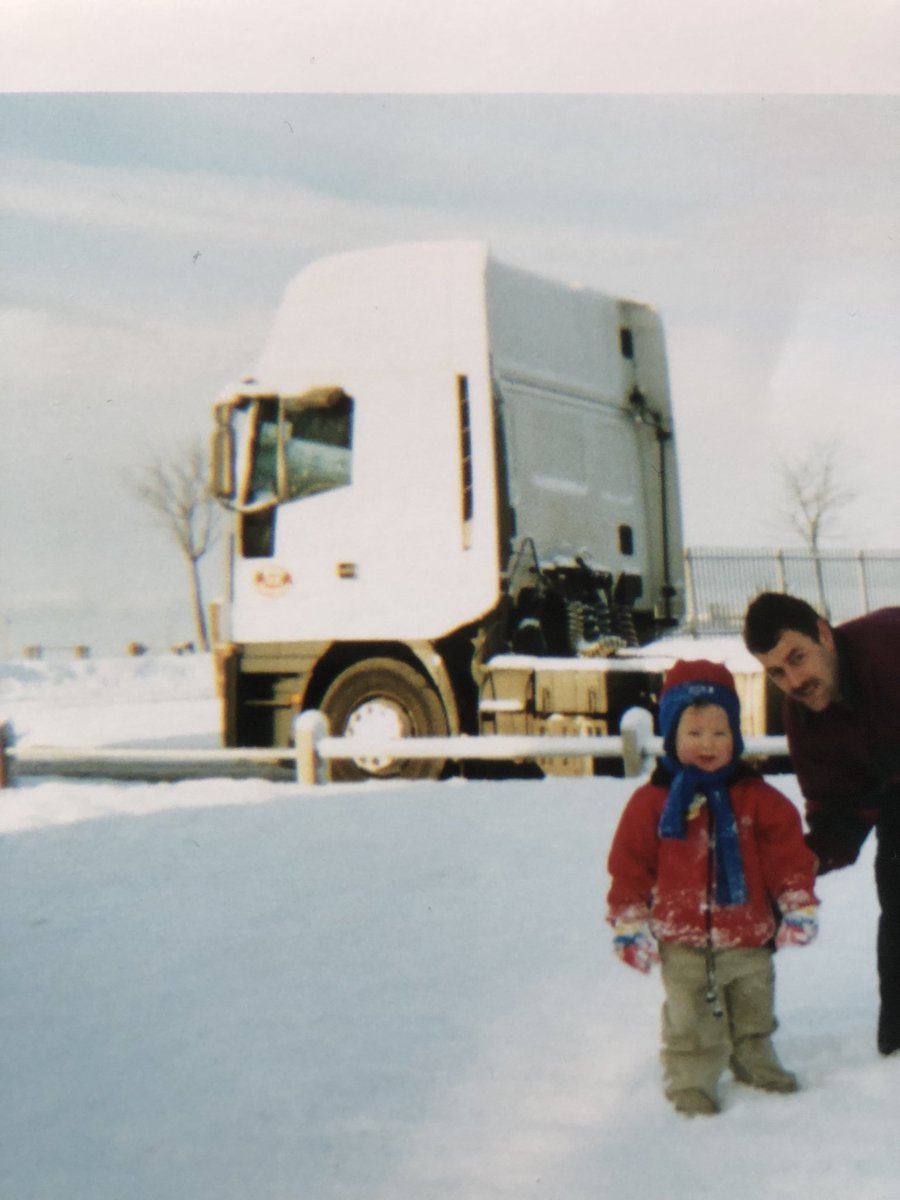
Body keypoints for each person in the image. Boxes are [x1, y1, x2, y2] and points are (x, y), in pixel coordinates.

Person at [606, 658, 819, 1117]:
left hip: (749, 936)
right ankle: (691, 1082)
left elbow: (788, 857)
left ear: (736, 737)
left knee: (753, 1010)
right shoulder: (652, 803)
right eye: (695, 732)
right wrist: (629, 920)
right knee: (689, 1021)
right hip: (681, 939)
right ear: (671, 735)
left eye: (720, 733)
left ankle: (753, 1061)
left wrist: (798, 903)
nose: (708, 744)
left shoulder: (757, 799)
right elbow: (630, 866)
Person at [743, 592, 900, 1057]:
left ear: (824, 636)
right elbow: (838, 814)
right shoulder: (806, 719)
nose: (794, 681)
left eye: (798, 657)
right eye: (777, 672)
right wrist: (791, 871)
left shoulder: (888, 649)